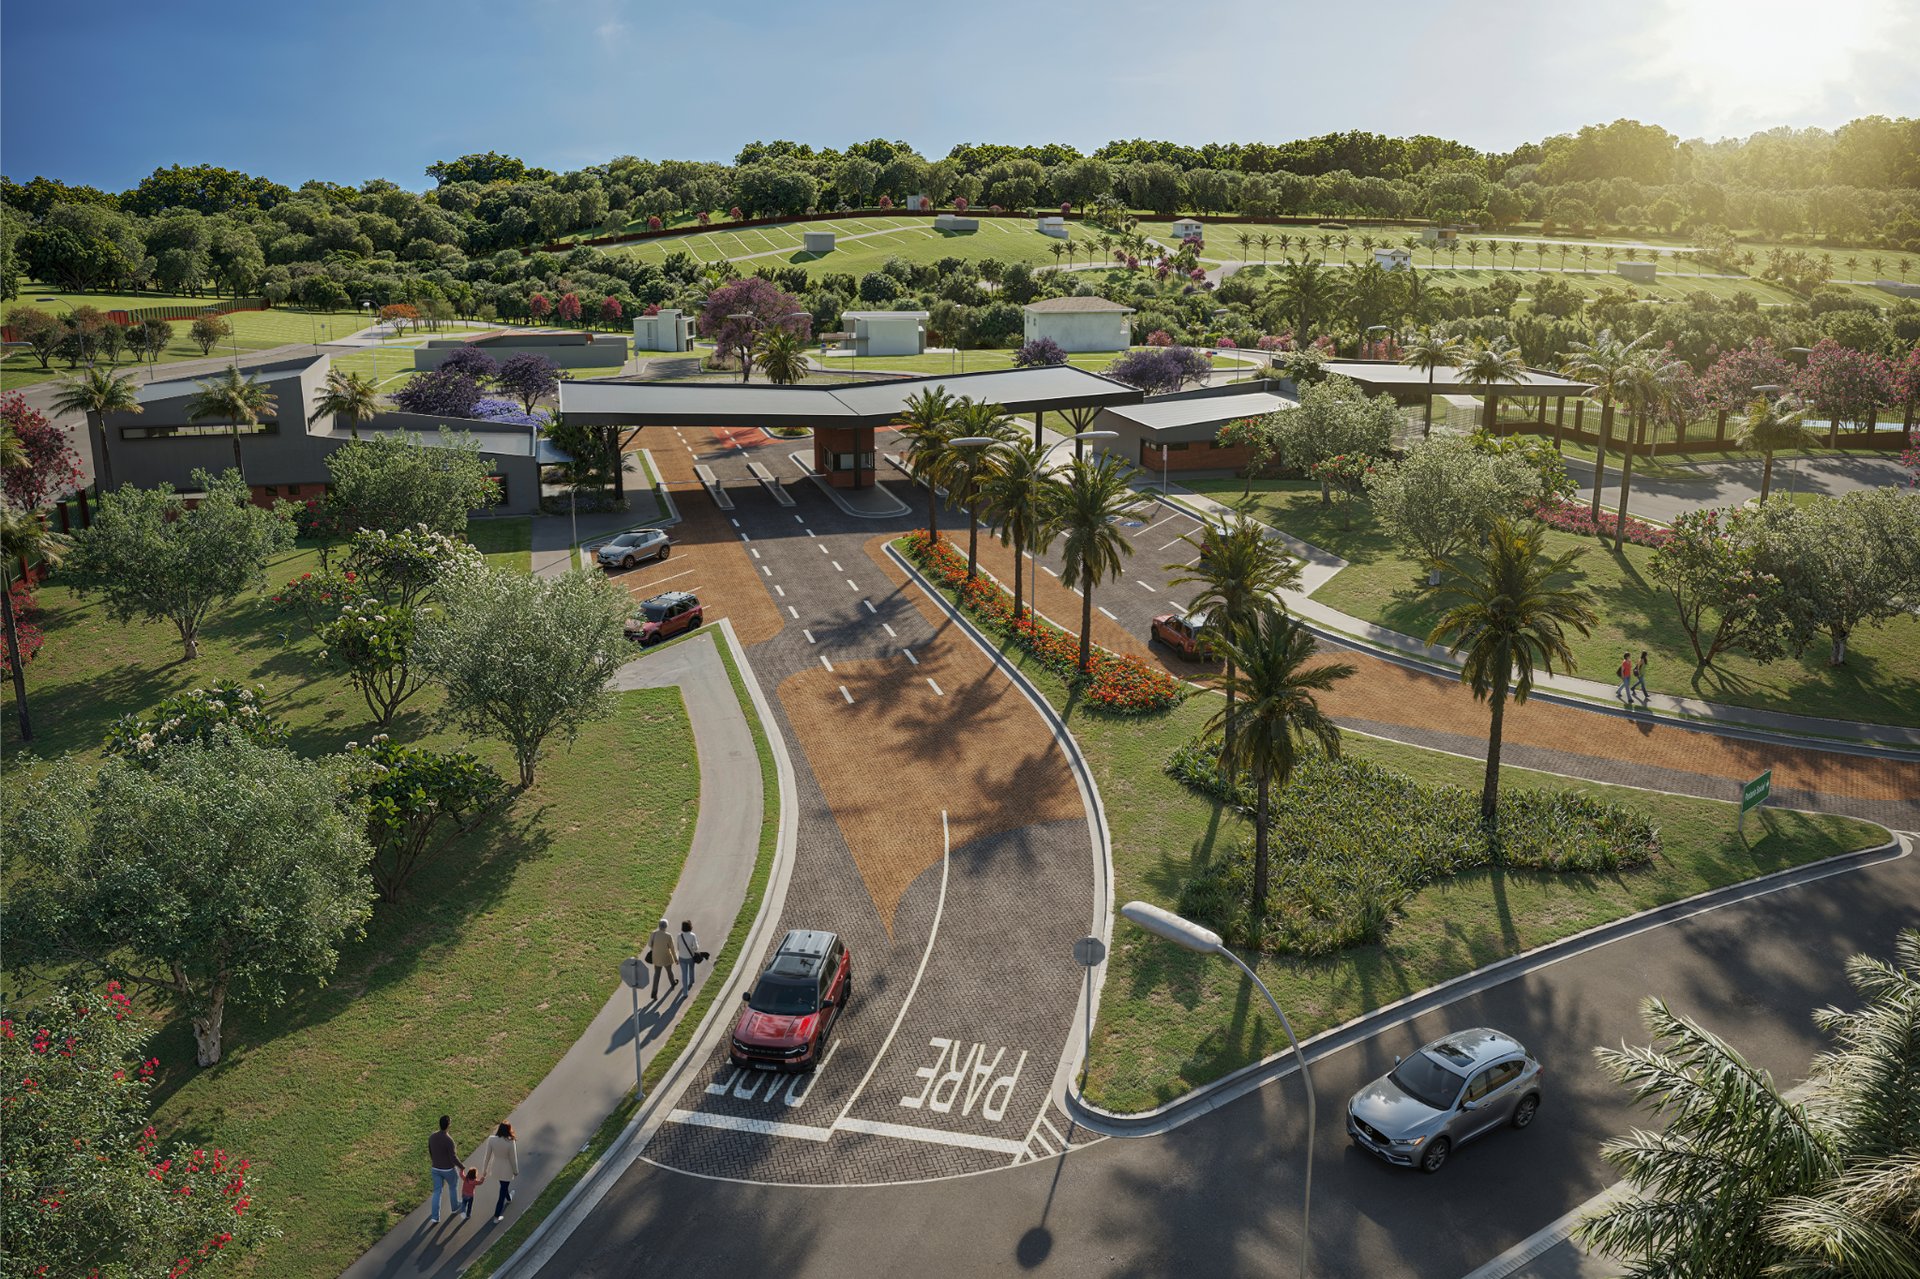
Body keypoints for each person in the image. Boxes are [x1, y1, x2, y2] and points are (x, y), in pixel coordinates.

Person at [426, 1115, 464, 1225]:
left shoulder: (432, 1136)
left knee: (437, 1191)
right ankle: (455, 1207)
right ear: (448, 1125)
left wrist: (435, 1161)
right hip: (448, 1170)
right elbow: (453, 1157)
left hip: (435, 1168)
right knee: (453, 1187)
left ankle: (435, 1217)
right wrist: (462, 1166)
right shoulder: (449, 1140)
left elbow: (430, 1151)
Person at [479, 1122, 519, 1223]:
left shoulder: (492, 1139)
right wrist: (515, 1171)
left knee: (503, 1186)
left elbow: (487, 1156)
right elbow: (513, 1159)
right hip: (507, 1170)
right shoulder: (510, 1142)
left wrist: (484, 1170)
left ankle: (509, 1198)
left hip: (496, 1168)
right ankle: (496, 1216)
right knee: (502, 1192)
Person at [648, 918, 678, 1000]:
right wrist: (675, 959)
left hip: (656, 957)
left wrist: (656, 949)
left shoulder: (653, 934)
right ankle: (672, 983)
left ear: (659, 925)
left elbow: (650, 944)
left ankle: (654, 992)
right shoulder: (668, 936)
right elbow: (672, 948)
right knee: (669, 971)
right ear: (666, 926)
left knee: (657, 975)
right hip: (666, 957)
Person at [677, 919, 701, 995]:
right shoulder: (692, 935)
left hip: (682, 957)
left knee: (684, 974)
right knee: (691, 969)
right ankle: (691, 981)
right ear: (690, 926)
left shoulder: (679, 936)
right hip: (690, 957)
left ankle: (685, 992)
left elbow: (678, 947)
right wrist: (692, 948)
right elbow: (696, 947)